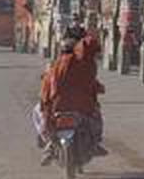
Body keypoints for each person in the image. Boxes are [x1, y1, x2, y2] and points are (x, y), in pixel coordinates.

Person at [40, 37, 105, 165]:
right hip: (81, 108)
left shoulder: (54, 66)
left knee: (44, 120)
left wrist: (45, 103)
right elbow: (91, 84)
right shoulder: (83, 65)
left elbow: (46, 89)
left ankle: (49, 147)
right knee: (96, 119)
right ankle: (95, 144)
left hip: (58, 107)